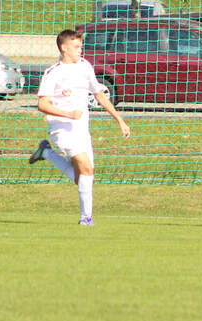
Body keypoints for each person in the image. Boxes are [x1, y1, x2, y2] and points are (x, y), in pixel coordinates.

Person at [28, 29, 130, 225]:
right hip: (61, 129)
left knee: (83, 176)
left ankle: (46, 153)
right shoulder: (53, 73)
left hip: (81, 129)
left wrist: (120, 120)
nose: (80, 50)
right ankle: (86, 219)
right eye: (76, 47)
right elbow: (42, 104)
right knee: (85, 168)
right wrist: (68, 114)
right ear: (64, 48)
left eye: (81, 47)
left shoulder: (85, 66)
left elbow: (99, 94)